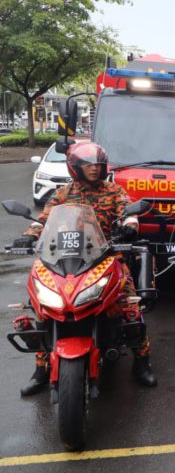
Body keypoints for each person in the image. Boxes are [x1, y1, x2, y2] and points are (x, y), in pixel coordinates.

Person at [12, 142, 156, 396]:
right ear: (75, 167)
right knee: (40, 308)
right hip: (63, 259)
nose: (94, 169)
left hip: (107, 256)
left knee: (130, 308)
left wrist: (129, 225)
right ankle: (42, 368)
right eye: (89, 164)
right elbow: (44, 220)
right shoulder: (63, 194)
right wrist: (29, 234)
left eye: (98, 165)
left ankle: (142, 361)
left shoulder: (113, 191)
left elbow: (129, 213)